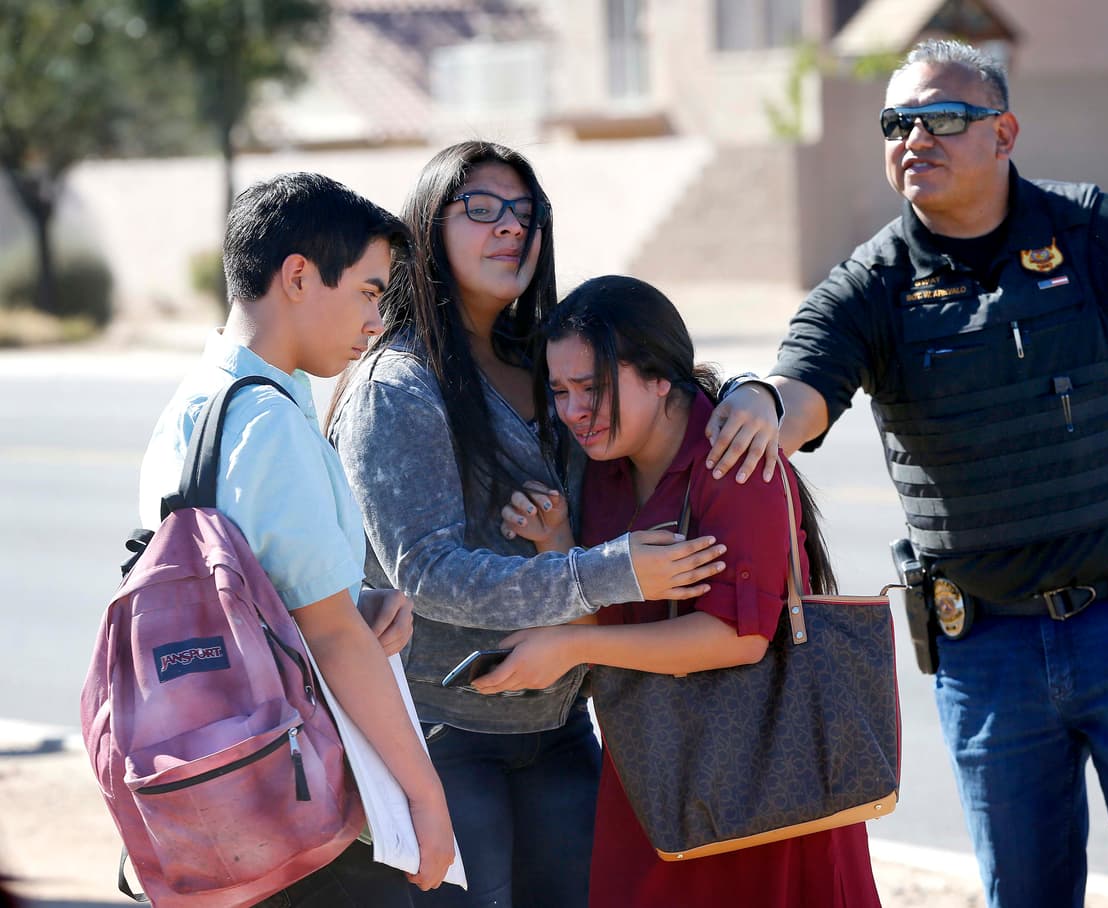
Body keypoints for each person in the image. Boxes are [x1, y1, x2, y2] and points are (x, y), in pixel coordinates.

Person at [705, 38, 1108, 908]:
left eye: (942, 118)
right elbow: (802, 389)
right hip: (988, 652)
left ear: (1004, 133)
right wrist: (758, 401)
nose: (914, 139)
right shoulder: (870, 286)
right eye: (896, 122)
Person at [326, 143, 726, 908]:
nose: (510, 227)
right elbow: (429, 575)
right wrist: (609, 571)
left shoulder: (550, 360)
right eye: (481, 208)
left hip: (563, 727)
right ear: (428, 228)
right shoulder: (398, 384)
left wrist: (746, 401)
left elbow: (661, 396)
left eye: (524, 211)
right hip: (445, 737)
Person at [472, 275, 882, 908]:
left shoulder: (733, 460)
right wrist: (558, 545)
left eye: (592, 388)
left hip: (768, 788)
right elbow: (617, 624)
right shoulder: (603, 469)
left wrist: (572, 648)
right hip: (654, 776)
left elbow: (738, 638)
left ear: (661, 377)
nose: (573, 411)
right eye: (560, 390)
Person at [137, 172, 456, 904]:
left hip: (217, 790)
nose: (376, 320)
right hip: (303, 807)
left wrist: (349, 597)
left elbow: (242, 595)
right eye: (369, 292)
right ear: (299, 276)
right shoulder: (269, 423)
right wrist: (426, 797)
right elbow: (331, 636)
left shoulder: (193, 405)